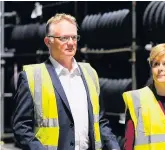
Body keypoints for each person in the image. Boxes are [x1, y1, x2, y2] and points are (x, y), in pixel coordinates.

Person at [12, 13, 120, 150]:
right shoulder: (32, 76)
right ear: (48, 41)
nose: (70, 43)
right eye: (64, 38)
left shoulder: (90, 73)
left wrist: (114, 147)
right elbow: (21, 127)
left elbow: (100, 121)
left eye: (74, 37)